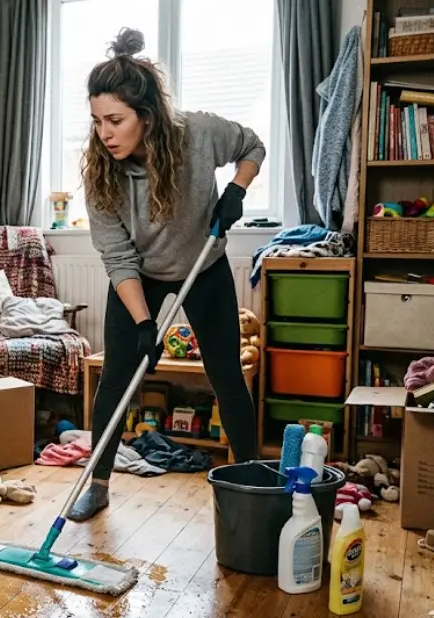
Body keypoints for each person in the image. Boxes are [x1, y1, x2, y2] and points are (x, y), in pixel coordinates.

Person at [69, 28, 265, 522]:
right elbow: (118, 259)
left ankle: (252, 481)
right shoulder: (101, 175)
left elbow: (253, 146)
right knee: (115, 378)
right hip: (142, 275)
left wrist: (236, 191)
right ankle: (97, 482)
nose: (104, 133)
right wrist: (143, 325)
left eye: (115, 120)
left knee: (227, 375)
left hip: (205, 267)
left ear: (147, 116)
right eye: (96, 121)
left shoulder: (197, 133)